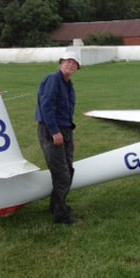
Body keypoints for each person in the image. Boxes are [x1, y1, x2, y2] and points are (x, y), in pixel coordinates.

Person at [36, 51, 82, 224]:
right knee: (61, 174)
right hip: (51, 130)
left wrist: (70, 136)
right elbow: (47, 106)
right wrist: (55, 132)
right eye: (68, 61)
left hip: (65, 130)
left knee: (68, 170)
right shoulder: (53, 80)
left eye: (74, 63)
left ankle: (55, 206)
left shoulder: (69, 84)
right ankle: (61, 215)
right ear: (61, 63)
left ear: (78, 68)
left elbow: (67, 112)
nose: (71, 65)